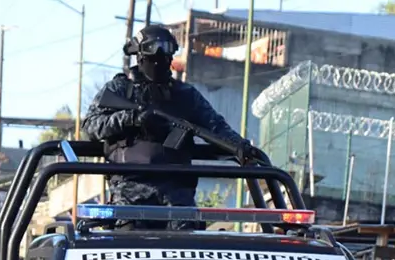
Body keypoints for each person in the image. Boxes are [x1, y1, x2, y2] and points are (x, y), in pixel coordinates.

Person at [81, 24, 264, 228]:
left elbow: (215, 125)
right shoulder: (120, 89)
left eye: (166, 50)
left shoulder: (185, 95)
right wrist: (132, 118)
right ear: (139, 55)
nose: (160, 57)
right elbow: (90, 125)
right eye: (153, 50)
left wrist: (239, 145)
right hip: (131, 194)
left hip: (178, 195)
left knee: (188, 250)